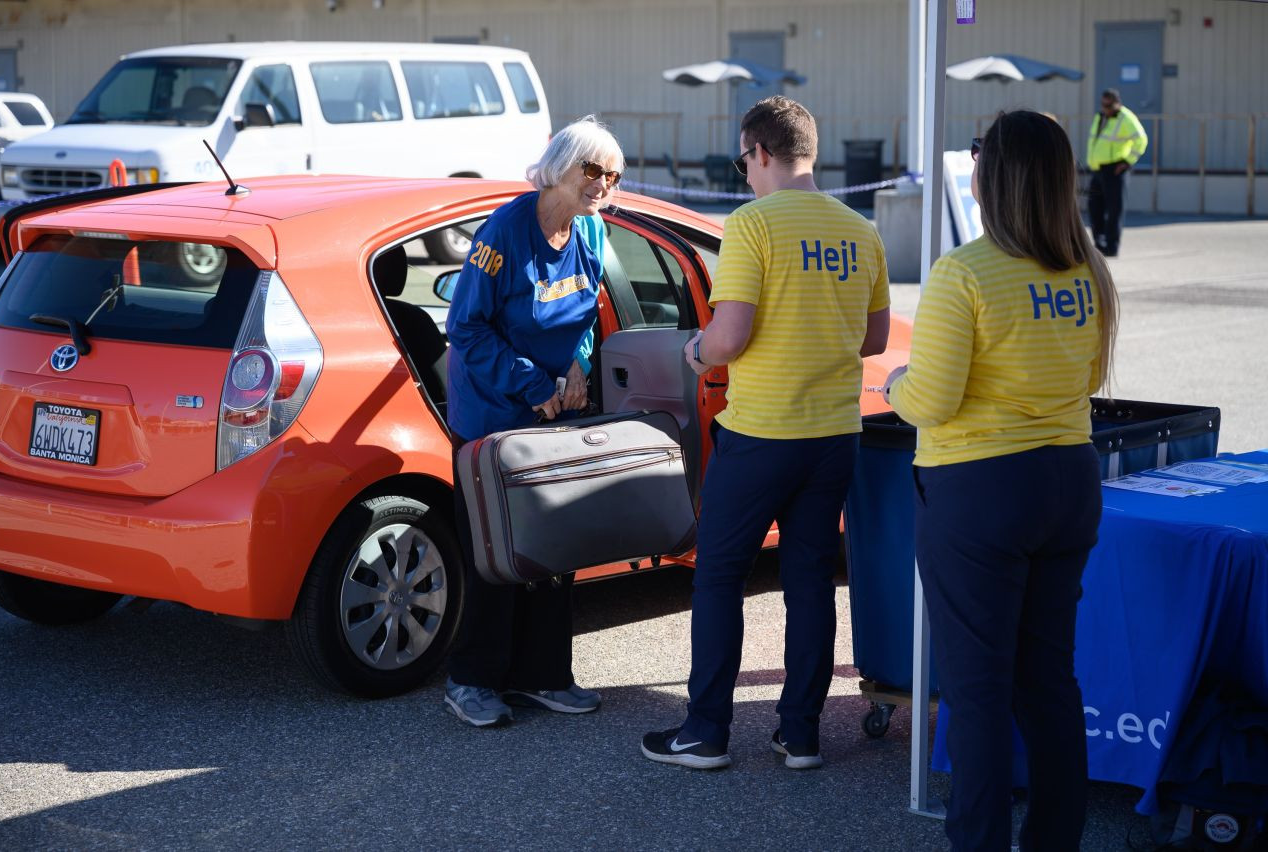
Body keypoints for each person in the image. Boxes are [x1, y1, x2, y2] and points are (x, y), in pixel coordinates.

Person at [883, 110, 1119, 850]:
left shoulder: (966, 271)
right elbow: (1085, 380)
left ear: (995, 175)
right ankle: (1054, 838)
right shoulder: (1088, 269)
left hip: (979, 491)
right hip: (1068, 481)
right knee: (1049, 680)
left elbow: (932, 400)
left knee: (978, 692)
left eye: (980, 154)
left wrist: (894, 383)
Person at [640, 96, 890, 770]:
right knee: (809, 580)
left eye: (742, 160)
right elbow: (876, 335)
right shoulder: (859, 230)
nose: (743, 174)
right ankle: (800, 733)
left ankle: (705, 731)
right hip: (835, 432)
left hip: (760, 434)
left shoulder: (752, 226)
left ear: (760, 151)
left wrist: (694, 351)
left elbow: (730, 337)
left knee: (718, 577)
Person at [441, 117, 623, 727]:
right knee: (495, 554)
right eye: (592, 170)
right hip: (494, 417)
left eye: (613, 174)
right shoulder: (505, 233)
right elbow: (464, 328)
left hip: (554, 414)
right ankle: (472, 681)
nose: (603, 184)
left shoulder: (593, 232)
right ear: (559, 168)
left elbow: (588, 319)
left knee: (553, 547)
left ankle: (543, 676)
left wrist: (577, 366)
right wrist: (532, 383)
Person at [1086, 88, 1147, 257]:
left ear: (1117, 103)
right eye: (1103, 104)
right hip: (1097, 169)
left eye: (1109, 105)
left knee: (1114, 209)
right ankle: (1099, 244)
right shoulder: (1099, 117)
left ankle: (1111, 247)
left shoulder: (1125, 118)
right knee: (1094, 208)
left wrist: (1127, 162)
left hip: (1114, 169)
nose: (1105, 108)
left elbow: (1141, 139)